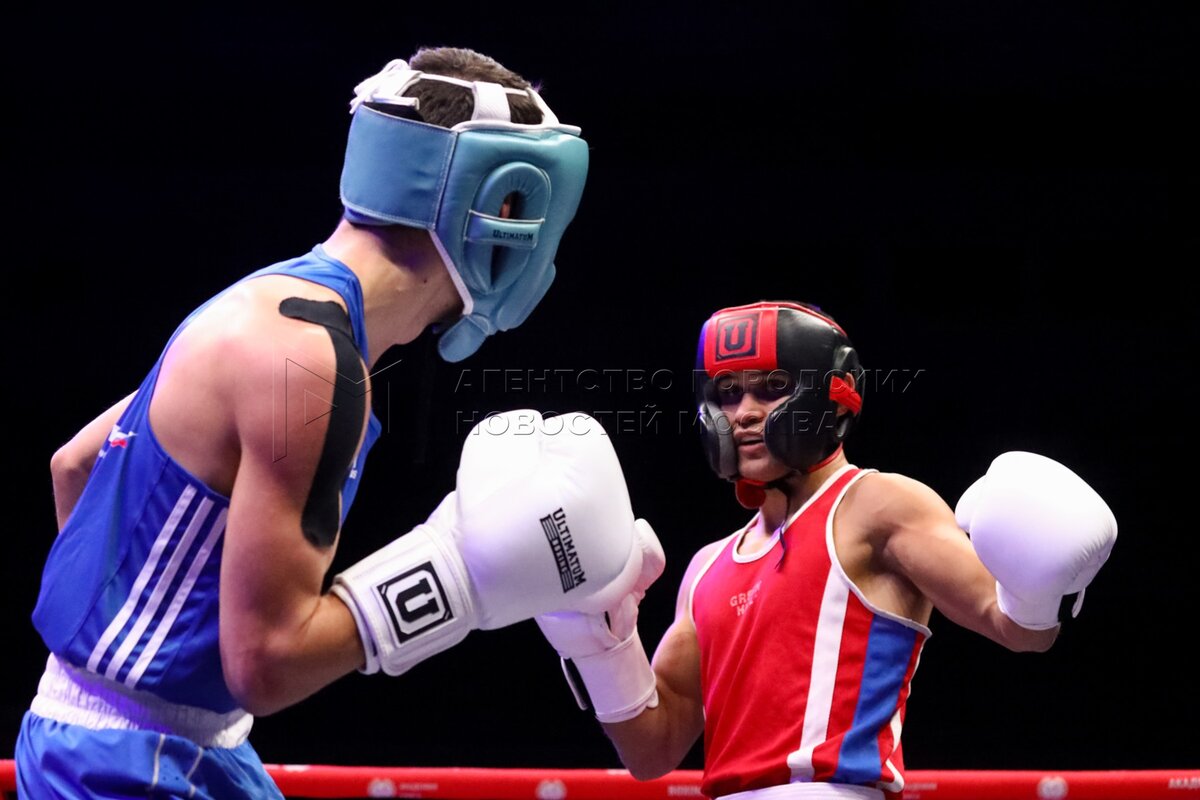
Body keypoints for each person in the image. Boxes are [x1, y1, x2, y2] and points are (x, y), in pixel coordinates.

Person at [17, 47, 659, 799]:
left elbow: (75, 463)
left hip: (143, 739)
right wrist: (461, 573)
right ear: (502, 207)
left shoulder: (262, 304)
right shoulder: (311, 365)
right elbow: (266, 664)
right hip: (134, 762)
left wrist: (115, 656)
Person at [535, 300, 1118, 799]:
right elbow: (652, 752)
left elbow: (1016, 627)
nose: (744, 413)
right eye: (728, 394)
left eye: (773, 388)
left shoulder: (878, 505)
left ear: (831, 395)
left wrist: (1042, 586)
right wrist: (599, 640)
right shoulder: (706, 568)